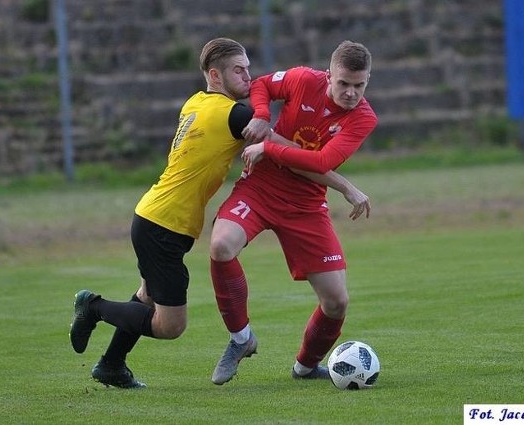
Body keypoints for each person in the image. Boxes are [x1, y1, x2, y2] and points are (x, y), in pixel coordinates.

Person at [67, 37, 257, 389]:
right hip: (163, 225)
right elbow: (271, 138)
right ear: (215, 75)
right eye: (238, 70)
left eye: (249, 68)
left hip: (155, 216)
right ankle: (92, 306)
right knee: (170, 325)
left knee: (146, 297)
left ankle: (111, 365)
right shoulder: (234, 114)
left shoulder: (195, 103)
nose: (249, 76)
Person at [209, 40, 378, 385]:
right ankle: (241, 339)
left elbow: (321, 162)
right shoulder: (303, 79)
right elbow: (261, 85)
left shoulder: (363, 118)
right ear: (328, 74)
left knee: (336, 302)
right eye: (343, 83)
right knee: (221, 246)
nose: (350, 93)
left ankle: (305, 367)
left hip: (306, 204)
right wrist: (260, 115)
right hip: (261, 187)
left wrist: (268, 145)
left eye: (359, 85)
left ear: (368, 81)